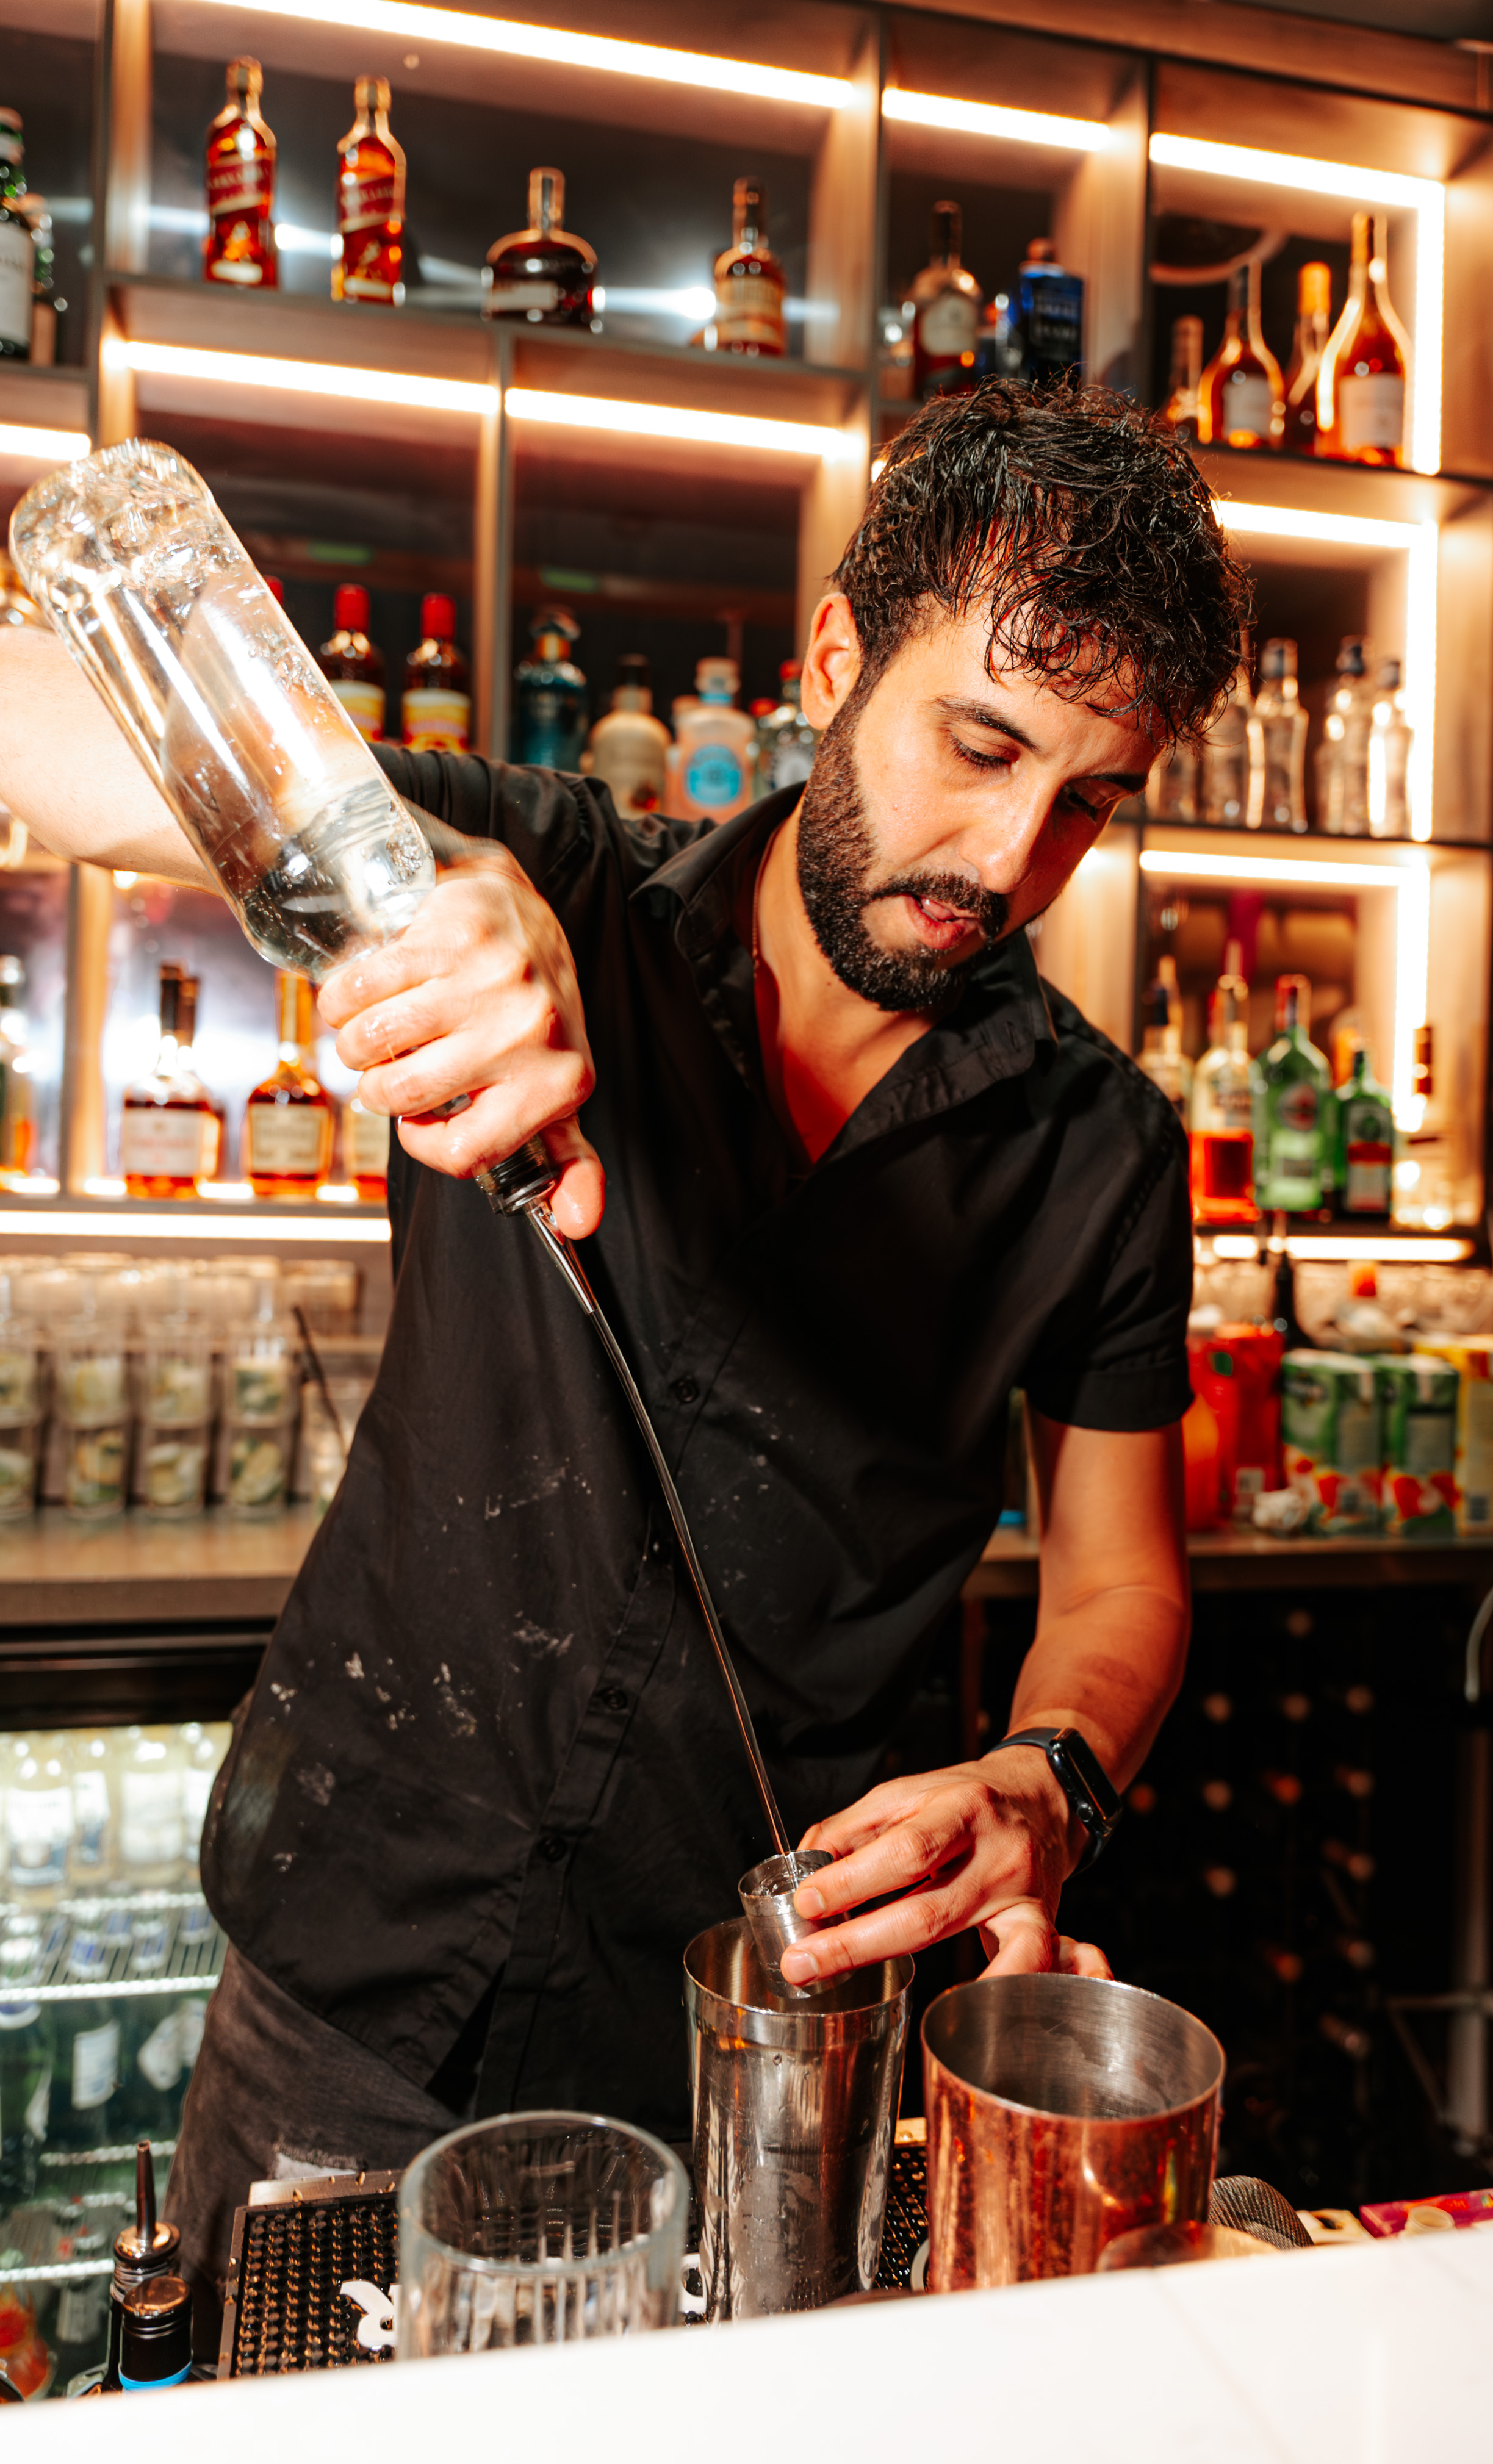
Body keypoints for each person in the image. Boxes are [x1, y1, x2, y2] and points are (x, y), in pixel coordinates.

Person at [0, 379, 1245, 2332]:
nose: (1007, 859)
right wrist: (405, 868)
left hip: (752, 2033)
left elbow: (1116, 1576)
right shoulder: (549, 870)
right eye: (979, 744)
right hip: (358, 1977)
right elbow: (36, 716)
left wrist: (1042, 1772)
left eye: (1086, 800)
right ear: (837, 653)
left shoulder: (1098, 1151)